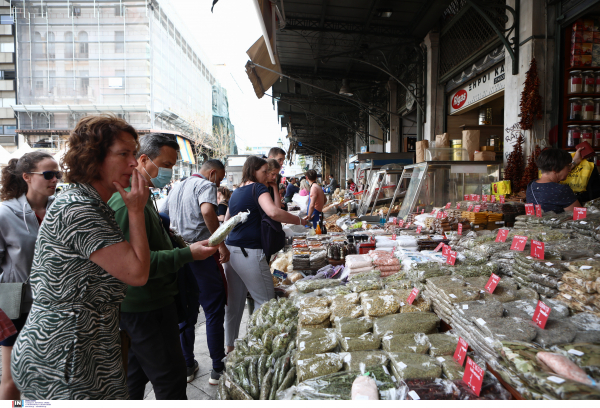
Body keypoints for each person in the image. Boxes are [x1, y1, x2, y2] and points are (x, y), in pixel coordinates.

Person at [11, 114, 151, 399]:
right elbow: (137, 273)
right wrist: (136, 210)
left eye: (134, 154)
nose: (134, 163)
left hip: (84, 348)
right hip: (65, 353)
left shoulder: (90, 201)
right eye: (123, 154)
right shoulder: (79, 207)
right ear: (93, 158)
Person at [107, 133, 217, 400]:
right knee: (170, 379)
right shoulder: (126, 205)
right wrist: (186, 254)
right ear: (143, 160)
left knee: (134, 376)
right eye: (166, 165)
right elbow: (135, 265)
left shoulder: (144, 199)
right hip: (146, 306)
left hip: (148, 304)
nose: (169, 172)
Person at [223, 156, 306, 353]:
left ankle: (230, 347)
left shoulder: (236, 191)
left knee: (233, 305)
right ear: (253, 170)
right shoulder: (257, 188)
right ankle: (261, 349)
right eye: (263, 171)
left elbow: (227, 221)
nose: (266, 174)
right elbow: (274, 212)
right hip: (249, 252)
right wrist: (300, 221)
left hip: (231, 251)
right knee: (265, 302)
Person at [160, 159, 229, 385]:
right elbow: (208, 210)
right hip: (201, 254)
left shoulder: (177, 186)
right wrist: (219, 243)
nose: (220, 182)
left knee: (186, 313)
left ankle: (188, 365)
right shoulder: (205, 186)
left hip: (181, 255)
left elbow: (163, 216)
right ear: (212, 173)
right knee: (213, 311)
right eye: (220, 177)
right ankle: (217, 368)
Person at [0, 151, 59, 400]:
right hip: (16, 308)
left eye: (58, 174)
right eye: (48, 174)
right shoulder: (4, 214)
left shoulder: (61, 210)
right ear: (26, 176)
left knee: (47, 376)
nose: (55, 179)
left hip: (55, 306)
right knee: (13, 378)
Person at [526, 148, 584, 214]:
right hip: (557, 224)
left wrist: (574, 162)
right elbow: (580, 215)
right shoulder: (561, 190)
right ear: (555, 169)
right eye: (568, 166)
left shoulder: (531, 186)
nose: (569, 170)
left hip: (534, 224)